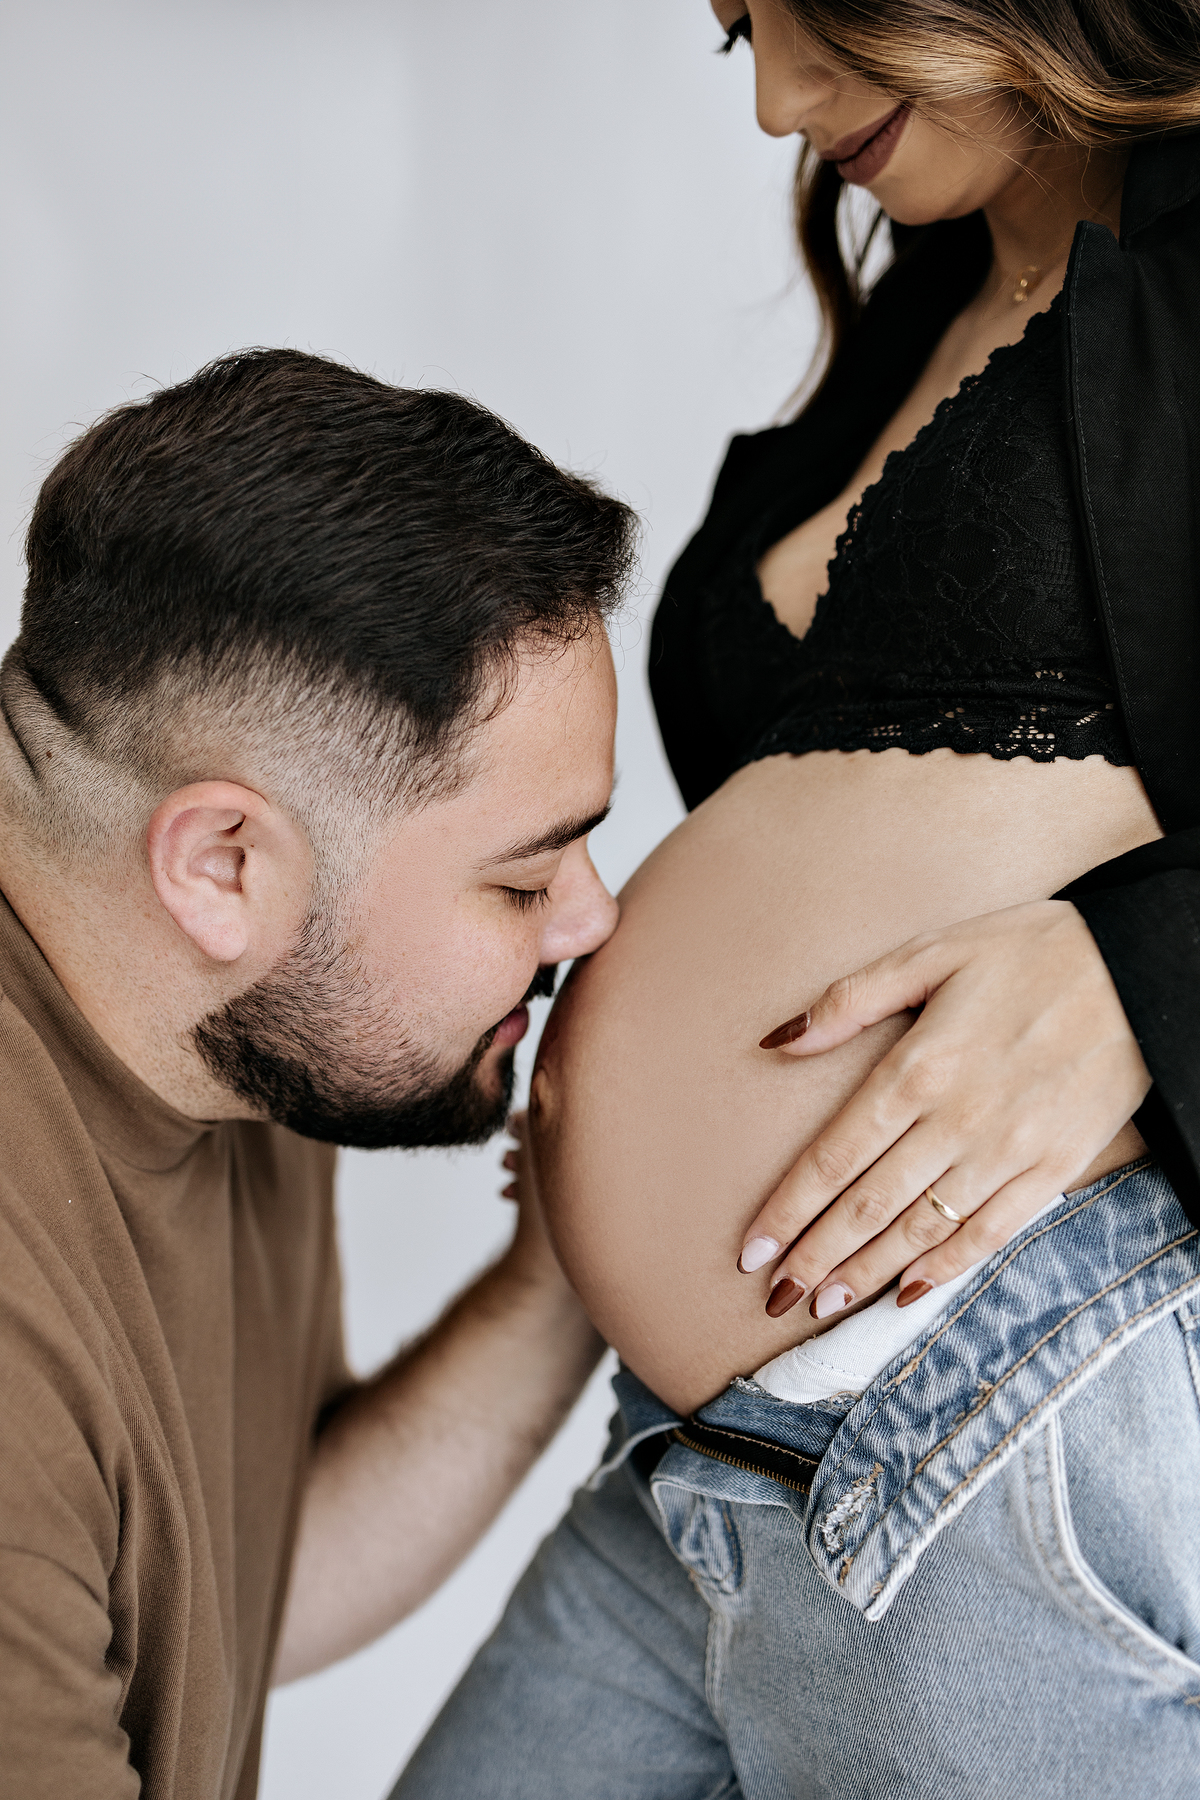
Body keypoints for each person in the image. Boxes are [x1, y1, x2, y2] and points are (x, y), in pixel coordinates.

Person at [391, 4, 1200, 1795]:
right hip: (688, 1455)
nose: (776, 100)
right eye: (737, 31)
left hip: (997, 1413)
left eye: (819, 10)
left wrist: (1144, 973)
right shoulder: (925, 301)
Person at [0, 346, 637, 1796]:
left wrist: (562, 1266)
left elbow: (230, 1593)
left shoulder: (230, 1027)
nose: (590, 920)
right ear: (223, 864)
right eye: (524, 878)